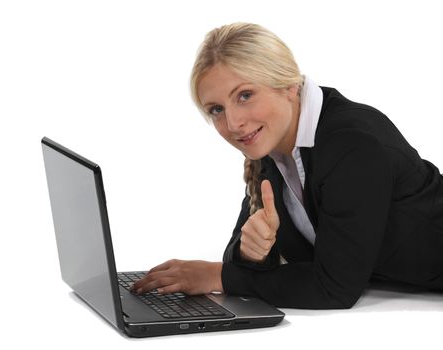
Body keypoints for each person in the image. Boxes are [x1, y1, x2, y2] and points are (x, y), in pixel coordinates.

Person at [131, 22, 443, 309]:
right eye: (216, 109)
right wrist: (252, 252)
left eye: (245, 95)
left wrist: (218, 277)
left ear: (288, 85)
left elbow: (336, 287)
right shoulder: (273, 147)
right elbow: (240, 252)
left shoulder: (352, 143)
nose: (233, 123)